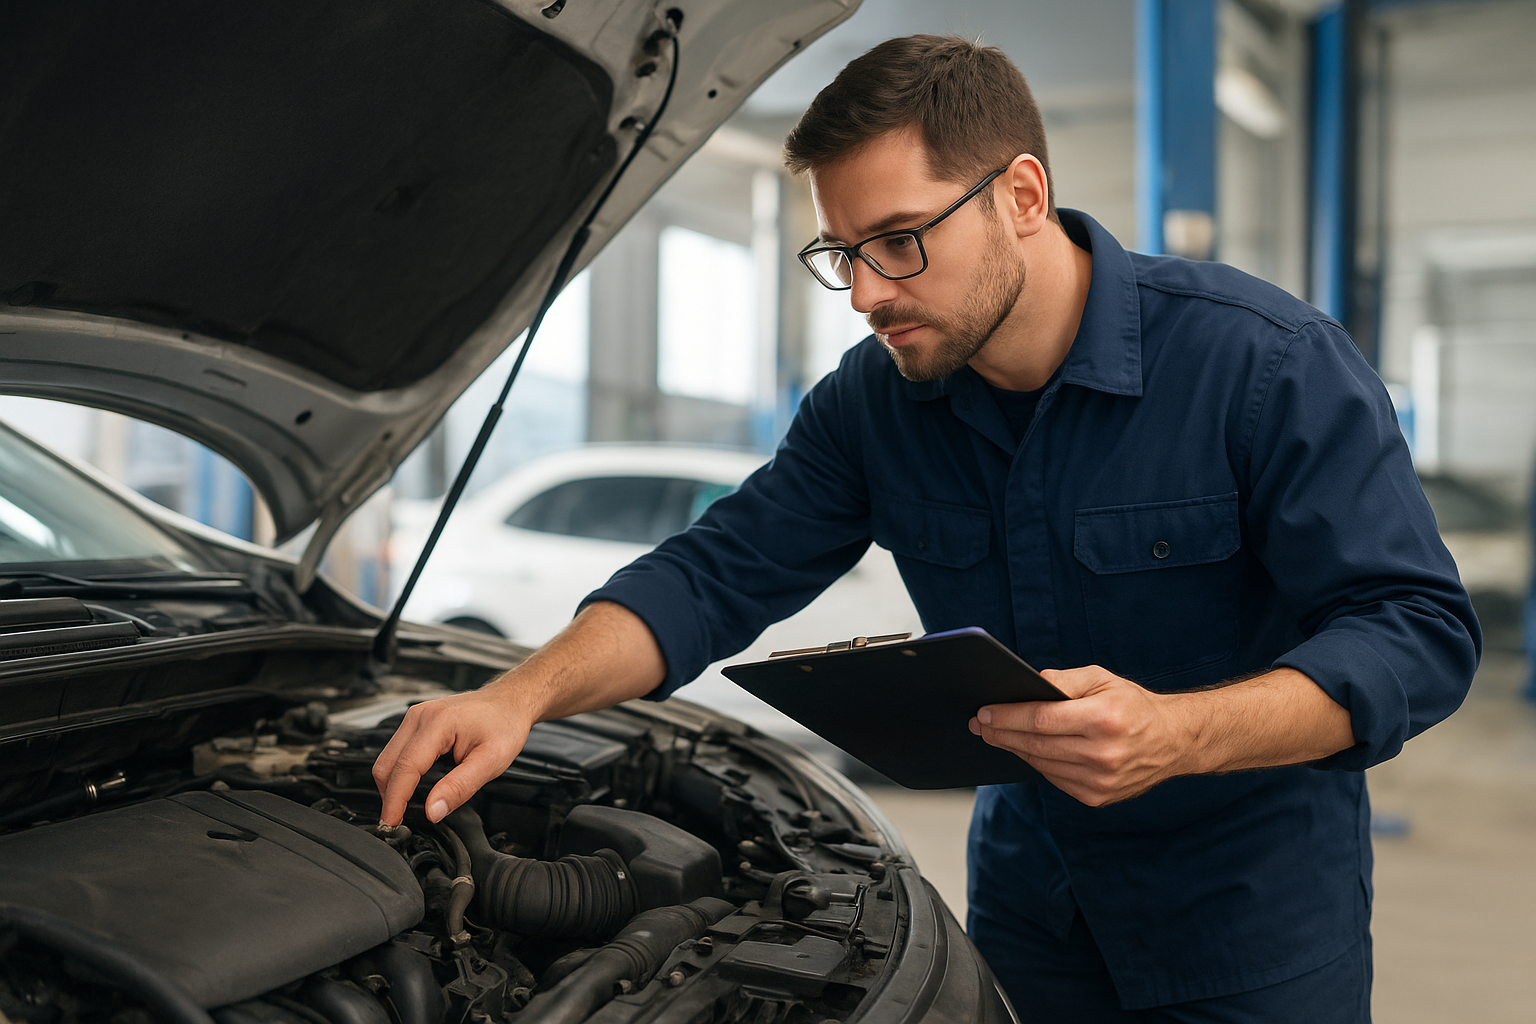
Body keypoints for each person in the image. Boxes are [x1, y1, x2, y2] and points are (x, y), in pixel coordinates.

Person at [373, 35, 1478, 1022]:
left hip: (1249, 915)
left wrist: (1178, 732)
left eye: (898, 241)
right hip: (1029, 903)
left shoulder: (1262, 365)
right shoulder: (873, 402)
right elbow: (715, 574)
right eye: (840, 253)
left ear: (1024, 195)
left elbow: (1416, 629)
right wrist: (518, 694)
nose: (863, 293)